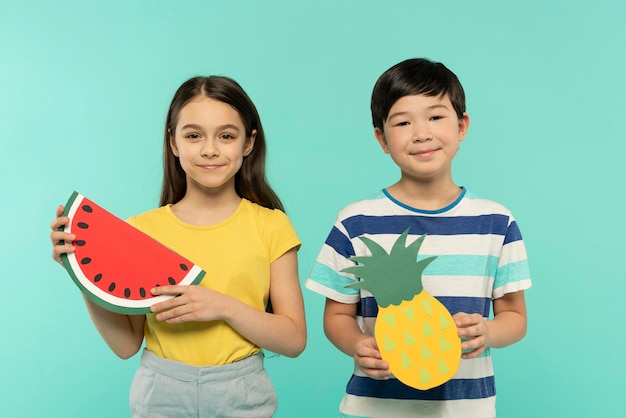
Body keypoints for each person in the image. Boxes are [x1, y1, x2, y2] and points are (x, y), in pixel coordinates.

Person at [50, 75, 306, 417]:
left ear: (248, 143)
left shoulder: (270, 225)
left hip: (242, 388)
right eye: (193, 135)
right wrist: (80, 268)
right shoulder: (141, 231)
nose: (210, 149)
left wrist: (224, 307)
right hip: (161, 390)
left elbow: (293, 340)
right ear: (173, 143)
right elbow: (126, 346)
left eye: (226, 136)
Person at [305, 58, 531, 418]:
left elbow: (515, 316)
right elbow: (336, 316)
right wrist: (358, 345)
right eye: (403, 122)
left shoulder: (496, 222)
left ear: (462, 126)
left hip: (466, 407)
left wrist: (488, 331)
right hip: (375, 405)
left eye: (436, 117)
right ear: (382, 138)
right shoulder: (355, 221)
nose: (421, 133)